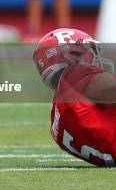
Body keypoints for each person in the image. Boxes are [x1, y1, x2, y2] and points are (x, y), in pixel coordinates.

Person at [33, 28, 116, 167]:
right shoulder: (74, 74)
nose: (94, 56)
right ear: (72, 54)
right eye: (89, 50)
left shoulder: (55, 124)